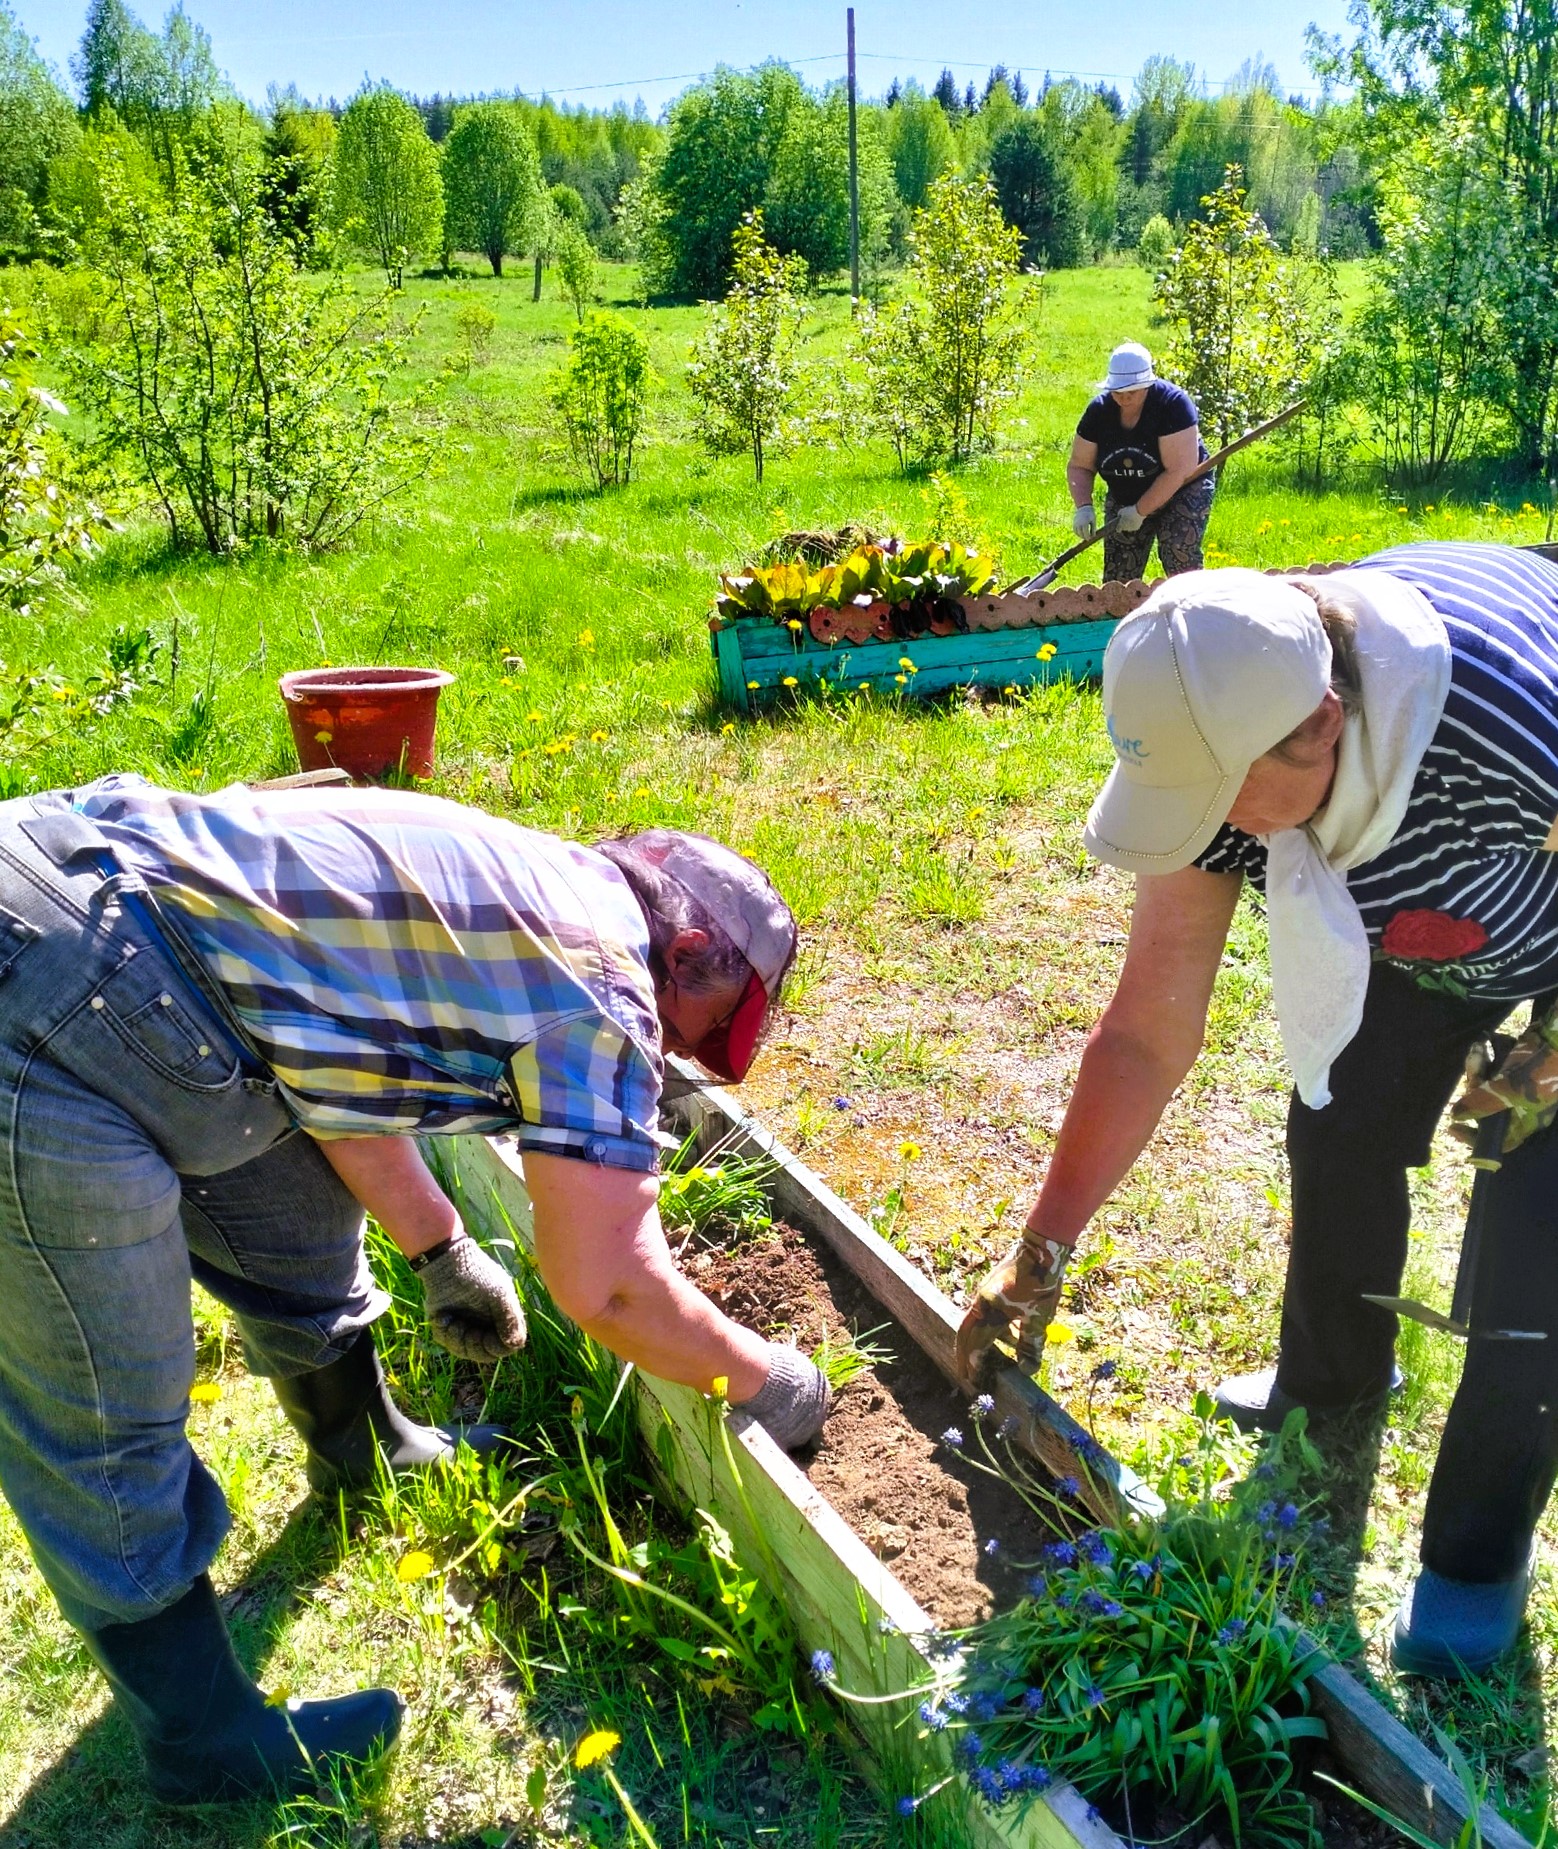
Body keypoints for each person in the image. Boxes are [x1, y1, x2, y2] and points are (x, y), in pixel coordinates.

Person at [0, 776, 827, 1803]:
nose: (686, 1053)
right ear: (694, 950)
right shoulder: (600, 985)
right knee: (102, 1395)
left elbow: (336, 1054)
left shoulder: (529, 883)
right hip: (41, 1004)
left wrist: (440, 1248)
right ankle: (200, 1738)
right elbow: (609, 1287)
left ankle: (365, 1447)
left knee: (290, 1218)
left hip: (122, 944)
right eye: (710, 1021)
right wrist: (766, 1380)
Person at [955, 543, 1558, 1679]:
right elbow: (1145, 1028)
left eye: (1219, 794)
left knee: (1537, 1263)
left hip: (1532, 878)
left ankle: (1473, 1566)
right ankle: (1329, 1384)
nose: (1208, 825)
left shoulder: (1512, 724)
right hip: (1427, 922)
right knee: (1337, 1126)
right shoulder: (1227, 714)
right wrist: (1040, 1251)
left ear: (1324, 723)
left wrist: (1544, 1058)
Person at [1067, 341, 1213, 583]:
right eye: (1117, 392)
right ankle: (1119, 619)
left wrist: (1140, 511)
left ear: (1147, 385)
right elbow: (1080, 465)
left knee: (1179, 555)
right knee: (1118, 574)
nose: (1123, 398)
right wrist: (1083, 506)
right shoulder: (1099, 412)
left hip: (1183, 489)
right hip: (1126, 492)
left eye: (1131, 392)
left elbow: (1179, 470)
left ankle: (1196, 615)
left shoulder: (1172, 405)